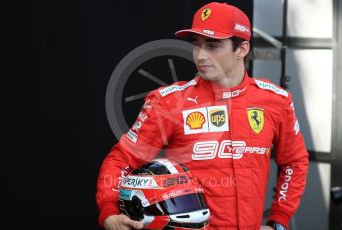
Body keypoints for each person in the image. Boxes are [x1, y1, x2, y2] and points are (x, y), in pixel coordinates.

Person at [96, 2, 309, 230]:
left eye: (213, 45)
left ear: (242, 49)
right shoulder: (168, 102)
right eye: (197, 44)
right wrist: (109, 211)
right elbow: (121, 160)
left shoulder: (275, 100)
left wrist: (279, 220)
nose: (201, 55)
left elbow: (295, 162)